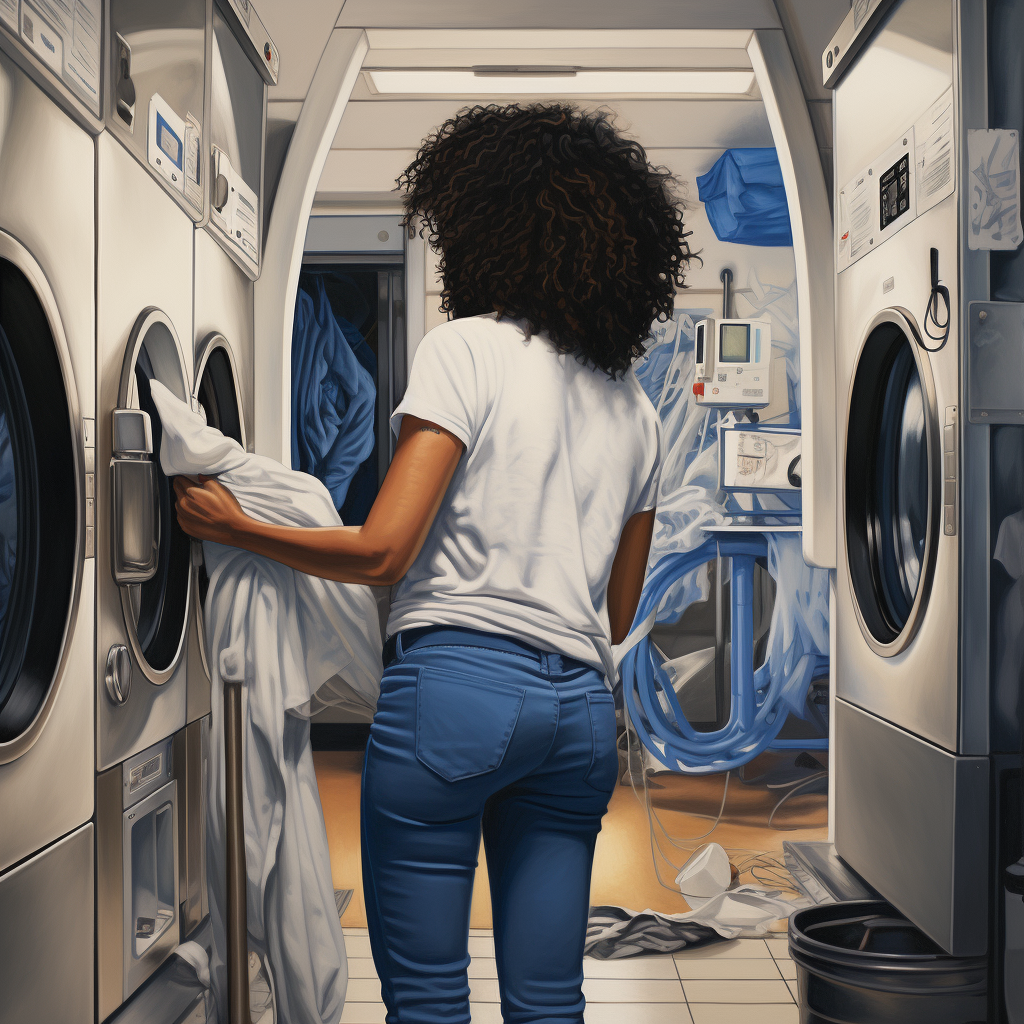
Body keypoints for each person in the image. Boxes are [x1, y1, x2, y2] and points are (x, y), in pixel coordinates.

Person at [174, 101, 695, 1024]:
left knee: (426, 1001)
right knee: (547, 1003)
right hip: (580, 714)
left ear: (483, 228)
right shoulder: (636, 410)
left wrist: (234, 524)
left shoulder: (466, 350)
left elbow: (383, 550)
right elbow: (617, 616)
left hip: (455, 695)